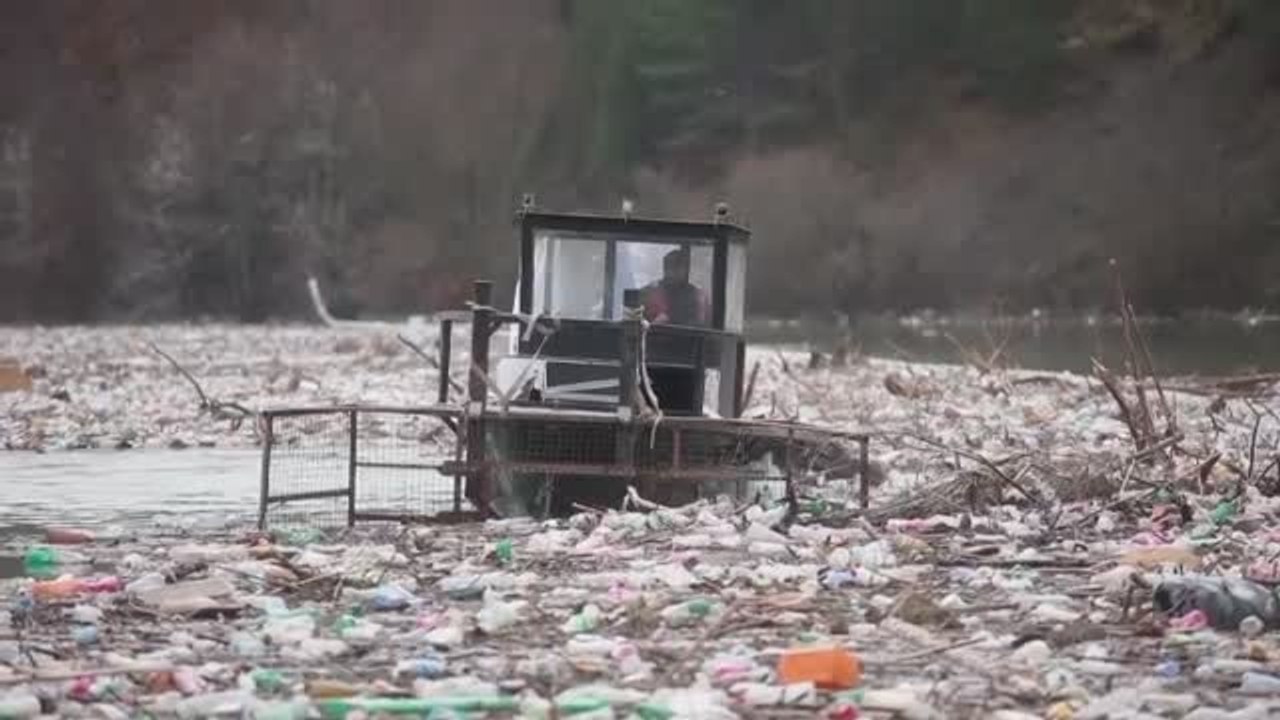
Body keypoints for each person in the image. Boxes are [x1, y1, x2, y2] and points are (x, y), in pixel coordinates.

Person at [639, 247, 709, 326]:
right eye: (668, 266)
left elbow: (702, 326)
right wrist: (653, 324)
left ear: (685, 269)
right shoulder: (649, 292)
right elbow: (637, 321)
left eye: (676, 266)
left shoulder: (697, 296)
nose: (670, 272)